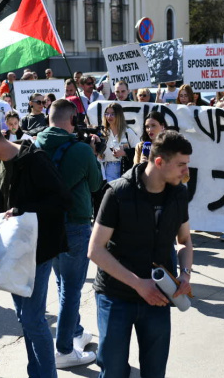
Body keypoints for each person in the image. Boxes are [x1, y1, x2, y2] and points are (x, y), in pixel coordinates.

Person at [0, 115, 70, 378]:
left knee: (33, 320)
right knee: (25, 319)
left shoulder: (35, 159)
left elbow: (61, 201)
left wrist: (21, 211)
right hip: (12, 252)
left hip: (39, 251)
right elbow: (2, 210)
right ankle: (37, 371)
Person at [88, 130, 194, 378]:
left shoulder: (179, 193)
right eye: (181, 165)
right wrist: (138, 284)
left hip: (159, 297)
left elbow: (185, 240)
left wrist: (186, 274)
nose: (185, 171)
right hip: (116, 297)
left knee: (155, 371)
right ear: (159, 162)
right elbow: (95, 250)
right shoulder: (118, 192)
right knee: (113, 371)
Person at [36, 100, 103, 368]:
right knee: (71, 290)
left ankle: (75, 332)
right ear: (72, 120)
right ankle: (64, 350)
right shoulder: (81, 150)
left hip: (45, 224)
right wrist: (93, 153)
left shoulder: (34, 144)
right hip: (74, 223)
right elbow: (97, 185)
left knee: (63, 284)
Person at [99, 103, 140, 184]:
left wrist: (124, 153)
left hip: (124, 168)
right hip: (108, 168)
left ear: (119, 115)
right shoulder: (103, 132)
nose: (109, 116)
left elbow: (139, 149)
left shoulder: (127, 132)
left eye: (112, 114)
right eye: (107, 114)